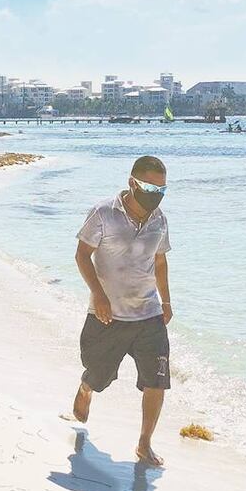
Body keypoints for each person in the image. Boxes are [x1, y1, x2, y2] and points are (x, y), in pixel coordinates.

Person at [72, 156, 172, 468]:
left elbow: (160, 261)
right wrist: (98, 295)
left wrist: (166, 303)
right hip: (108, 315)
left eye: (161, 188)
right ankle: (87, 388)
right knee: (100, 376)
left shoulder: (160, 219)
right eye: (149, 186)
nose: (155, 193)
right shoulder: (103, 213)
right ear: (132, 183)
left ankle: (144, 443)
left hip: (149, 314)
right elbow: (82, 255)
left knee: (157, 381)